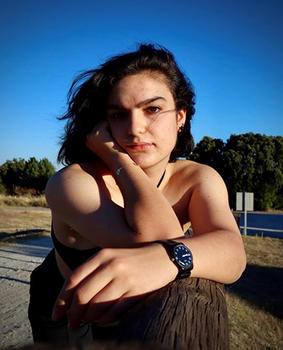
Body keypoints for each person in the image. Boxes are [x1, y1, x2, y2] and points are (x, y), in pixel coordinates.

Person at [28, 44, 246, 345]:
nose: (134, 128)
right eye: (118, 115)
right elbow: (163, 235)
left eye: (153, 109)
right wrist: (119, 160)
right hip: (65, 312)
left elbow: (234, 253)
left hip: (136, 312)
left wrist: (169, 260)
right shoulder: (73, 183)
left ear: (180, 116)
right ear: (100, 126)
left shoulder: (197, 178)